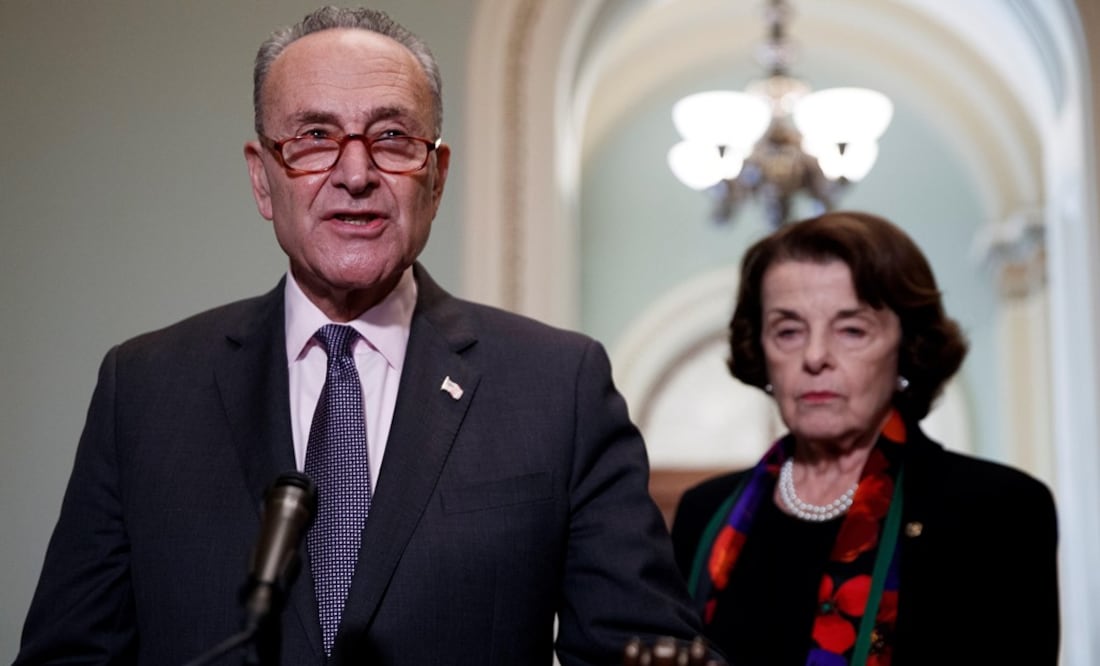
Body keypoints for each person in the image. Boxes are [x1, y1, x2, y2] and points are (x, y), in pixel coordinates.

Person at [15, 7, 706, 665]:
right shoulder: (144, 389)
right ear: (263, 180)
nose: (355, 174)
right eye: (315, 137)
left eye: (392, 138)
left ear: (434, 179)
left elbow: (639, 649)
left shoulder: (558, 387)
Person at [670, 211, 1060, 666]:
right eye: (788, 331)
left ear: (908, 349)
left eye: (852, 329)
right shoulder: (703, 514)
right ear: (760, 350)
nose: (815, 356)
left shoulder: (999, 510)